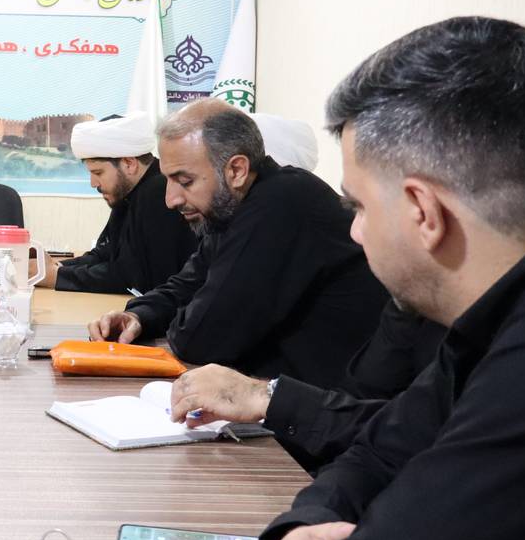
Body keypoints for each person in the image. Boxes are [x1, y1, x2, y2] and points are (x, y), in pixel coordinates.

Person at [257, 16, 525, 540]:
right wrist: (301, 529)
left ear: (422, 211)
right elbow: (376, 455)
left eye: (357, 206)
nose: (354, 233)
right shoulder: (503, 313)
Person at [89, 99, 387, 389]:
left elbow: (200, 339)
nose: (170, 199)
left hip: (336, 407)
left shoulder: (280, 203)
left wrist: (186, 314)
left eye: (185, 181)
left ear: (236, 170)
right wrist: (138, 316)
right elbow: (185, 285)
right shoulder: (229, 210)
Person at [169, 300, 446, 471]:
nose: (355, 233)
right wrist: (305, 517)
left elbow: (198, 336)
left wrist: (266, 396)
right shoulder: (411, 299)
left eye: (365, 219)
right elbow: (362, 436)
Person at [33, 112, 198, 294]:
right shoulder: (129, 192)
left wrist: (56, 276)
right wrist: (56, 267)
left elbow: (133, 277)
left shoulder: (158, 191)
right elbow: (107, 252)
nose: (93, 183)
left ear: (129, 163)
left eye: (98, 173)